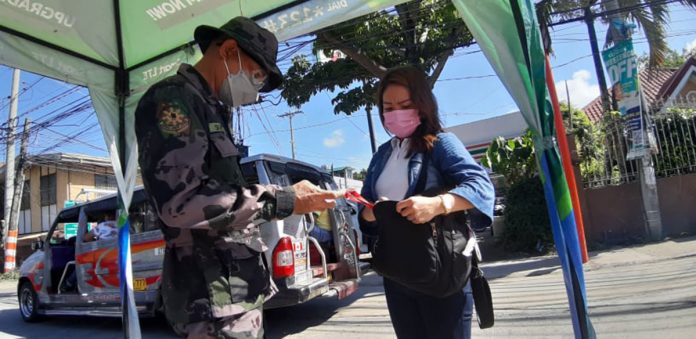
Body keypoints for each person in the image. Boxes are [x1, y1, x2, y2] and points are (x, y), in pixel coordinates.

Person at [134, 17, 342, 338]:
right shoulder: (172, 101)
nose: (256, 88)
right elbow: (181, 203)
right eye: (258, 75)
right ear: (229, 50)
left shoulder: (210, 107)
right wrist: (283, 199)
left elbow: (225, 194)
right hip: (210, 300)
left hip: (234, 293)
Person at [359, 65, 495, 339]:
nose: (395, 113)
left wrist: (437, 204)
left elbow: (481, 187)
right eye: (387, 107)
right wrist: (372, 214)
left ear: (422, 105)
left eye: (405, 105)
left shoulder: (442, 143)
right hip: (397, 274)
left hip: (442, 274)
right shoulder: (381, 155)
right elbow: (366, 214)